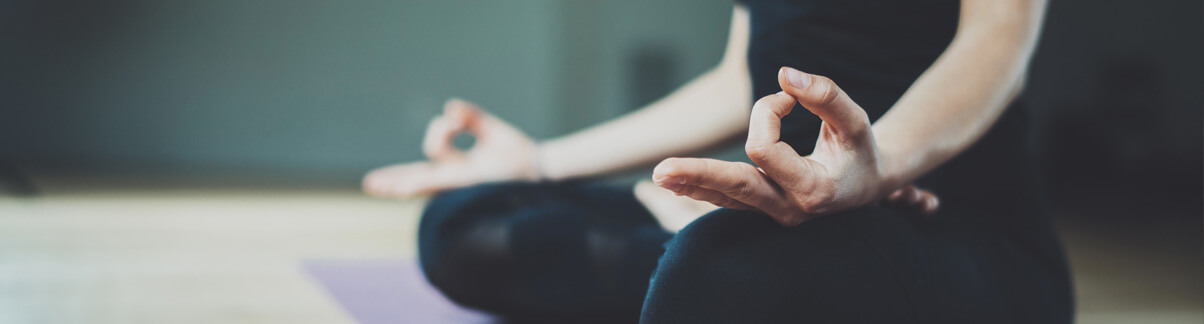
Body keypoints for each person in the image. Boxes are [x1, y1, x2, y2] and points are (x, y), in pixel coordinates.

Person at [363, 0, 1073, 322]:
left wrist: (876, 165)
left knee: (713, 276)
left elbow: (997, 43)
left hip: (950, 228)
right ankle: (694, 244)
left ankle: (696, 256)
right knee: (465, 223)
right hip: (790, 212)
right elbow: (740, 78)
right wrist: (539, 162)